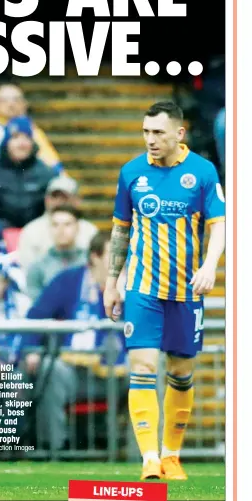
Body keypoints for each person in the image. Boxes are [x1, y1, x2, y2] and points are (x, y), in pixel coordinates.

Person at [103, 101, 226, 481]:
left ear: (179, 133)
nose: (150, 139)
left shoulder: (203, 172)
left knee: (181, 373)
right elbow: (121, 230)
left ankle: (172, 455)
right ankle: (149, 459)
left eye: (157, 132)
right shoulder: (132, 172)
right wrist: (112, 281)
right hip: (142, 288)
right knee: (141, 368)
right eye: (145, 132)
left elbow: (220, 225)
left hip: (187, 290)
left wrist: (209, 266)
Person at [20, 232, 128, 452]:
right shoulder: (68, 280)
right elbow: (36, 316)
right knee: (53, 370)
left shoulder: (136, 285)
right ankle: (55, 449)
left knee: (148, 372)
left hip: (120, 370)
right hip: (76, 369)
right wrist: (31, 349)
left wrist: (126, 298)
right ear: (95, 257)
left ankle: (145, 456)